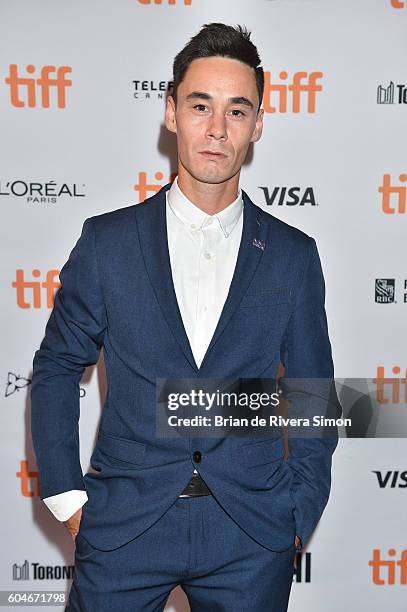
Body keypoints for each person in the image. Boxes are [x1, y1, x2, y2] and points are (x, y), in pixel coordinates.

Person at [31, 22, 340, 611]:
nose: (217, 129)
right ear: (171, 112)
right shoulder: (107, 244)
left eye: (237, 111)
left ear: (258, 124)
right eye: (200, 106)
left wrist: (296, 515)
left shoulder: (294, 256)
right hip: (125, 525)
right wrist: (70, 504)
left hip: (251, 531)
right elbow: (54, 370)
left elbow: (312, 395)